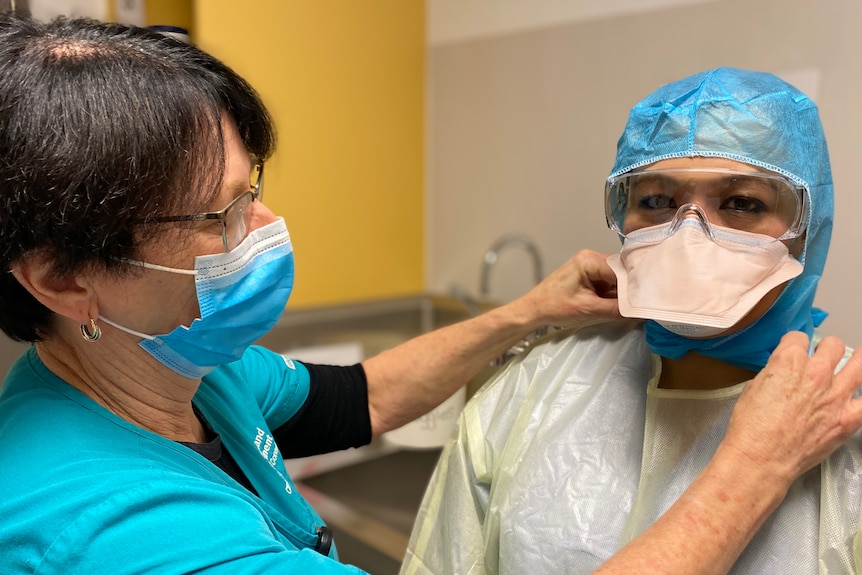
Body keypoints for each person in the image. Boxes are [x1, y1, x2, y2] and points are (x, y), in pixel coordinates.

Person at [0, 15, 858, 574]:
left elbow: (357, 398)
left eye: (743, 204)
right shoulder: (118, 532)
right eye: (220, 216)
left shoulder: (183, 375)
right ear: (64, 278)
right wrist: (754, 467)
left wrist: (528, 312)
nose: (266, 228)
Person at [401, 67, 862, 575]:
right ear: (623, 215)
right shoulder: (534, 391)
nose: (689, 236)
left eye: (742, 203)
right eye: (658, 201)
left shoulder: (844, 428)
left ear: (808, 228)